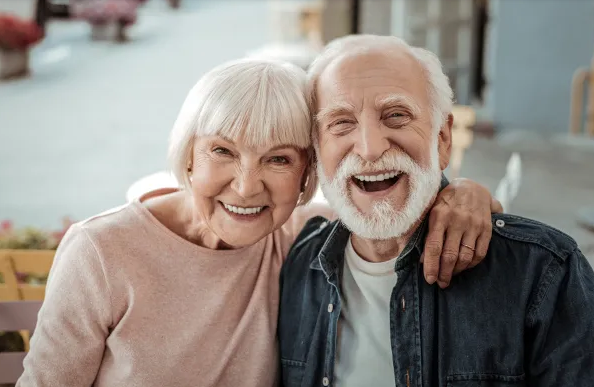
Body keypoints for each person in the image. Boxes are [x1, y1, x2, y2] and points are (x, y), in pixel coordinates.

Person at [18, 58, 499, 387]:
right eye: (222, 151)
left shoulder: (300, 237)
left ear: (309, 174)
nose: (247, 187)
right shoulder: (101, 252)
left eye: (278, 160)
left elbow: (395, 204)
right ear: (188, 157)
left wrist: (463, 193)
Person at [277, 34, 594, 387]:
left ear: (442, 139)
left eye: (396, 116)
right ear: (318, 149)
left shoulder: (542, 272)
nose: (369, 148)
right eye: (341, 123)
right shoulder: (296, 264)